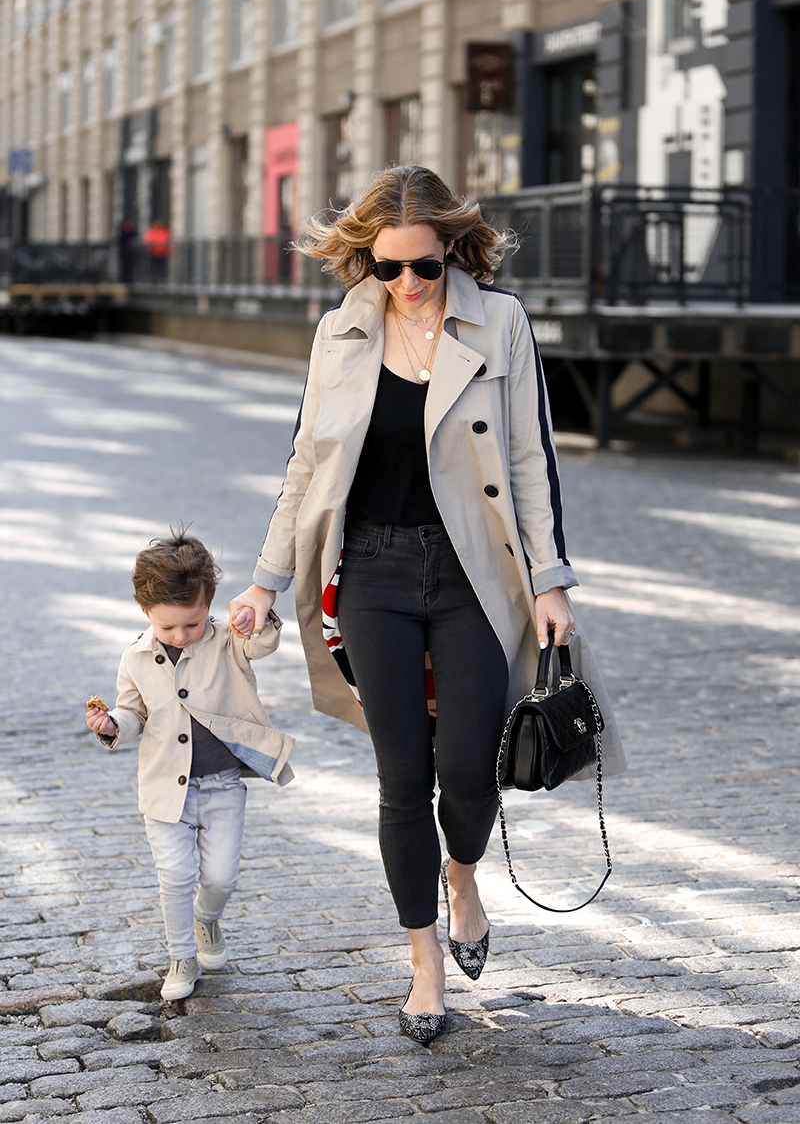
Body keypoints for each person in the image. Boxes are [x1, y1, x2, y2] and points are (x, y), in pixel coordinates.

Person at [229, 164, 625, 1042]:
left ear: (452, 248)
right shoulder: (340, 334)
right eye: (387, 268)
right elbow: (306, 466)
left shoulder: (502, 321)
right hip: (369, 571)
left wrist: (551, 579)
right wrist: (260, 578)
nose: (407, 285)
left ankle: (464, 873)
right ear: (365, 262)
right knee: (402, 778)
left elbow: (529, 458)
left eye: (423, 266)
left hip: (473, 574)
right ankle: (423, 963)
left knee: (470, 772)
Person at [86, 527, 294, 1001]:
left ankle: (207, 920)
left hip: (222, 785)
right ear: (146, 613)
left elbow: (262, 644)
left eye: (192, 624)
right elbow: (133, 711)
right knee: (174, 875)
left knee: (221, 877)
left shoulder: (228, 641)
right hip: (165, 786)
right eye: (168, 627)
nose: (181, 634)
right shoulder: (136, 656)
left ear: (209, 606)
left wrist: (255, 618)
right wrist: (112, 725)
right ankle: (181, 955)